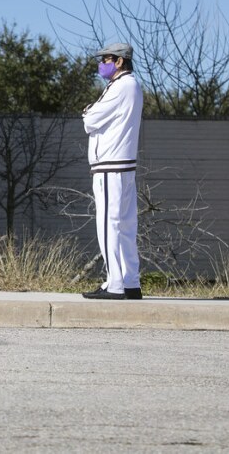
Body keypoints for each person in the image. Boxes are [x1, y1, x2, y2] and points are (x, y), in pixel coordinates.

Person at [81, 43, 144, 300]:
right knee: (126, 226)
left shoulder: (121, 86)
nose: (102, 64)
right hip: (123, 165)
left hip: (111, 166)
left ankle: (114, 283)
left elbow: (90, 120)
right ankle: (130, 282)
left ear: (119, 61)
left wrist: (87, 112)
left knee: (109, 224)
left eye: (106, 59)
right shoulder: (132, 85)